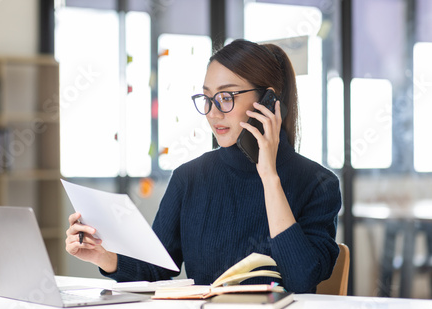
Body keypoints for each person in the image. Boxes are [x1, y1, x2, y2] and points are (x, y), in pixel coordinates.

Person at [65, 39, 342, 293]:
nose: (213, 113)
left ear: (267, 101)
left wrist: (269, 177)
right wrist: (105, 256)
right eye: (207, 99)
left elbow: (301, 280)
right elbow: (157, 269)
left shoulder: (318, 184)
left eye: (226, 97)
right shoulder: (189, 178)